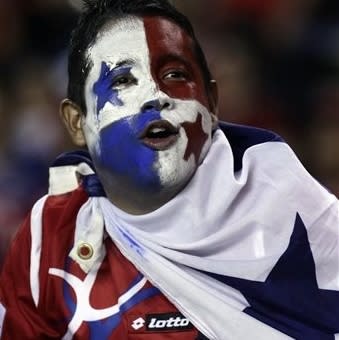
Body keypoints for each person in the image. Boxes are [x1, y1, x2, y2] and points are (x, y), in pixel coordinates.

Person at [1, 0, 339, 339]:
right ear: (77, 122)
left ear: (213, 101)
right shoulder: (51, 238)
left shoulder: (293, 212)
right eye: (122, 80)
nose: (156, 96)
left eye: (175, 74)